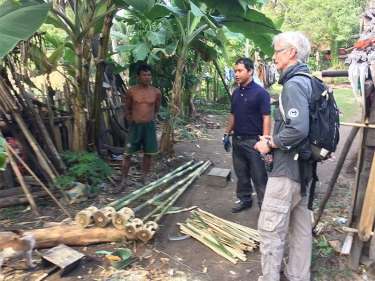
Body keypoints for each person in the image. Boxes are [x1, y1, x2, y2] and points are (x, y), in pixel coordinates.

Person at [254, 31, 313, 281]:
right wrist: (275, 139)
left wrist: (271, 144)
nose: (273, 57)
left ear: (291, 52)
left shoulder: (293, 84)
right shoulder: (310, 81)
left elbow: (298, 128)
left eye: (277, 51)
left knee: (270, 229)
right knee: (300, 230)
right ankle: (298, 276)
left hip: (287, 170)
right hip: (305, 169)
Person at [223, 57, 271, 213]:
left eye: (240, 71)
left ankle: (265, 207)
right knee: (241, 174)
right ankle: (245, 200)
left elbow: (266, 118)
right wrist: (226, 134)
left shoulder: (260, 93)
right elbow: (233, 115)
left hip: (253, 142)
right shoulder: (236, 92)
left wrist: (265, 143)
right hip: (238, 140)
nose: (236, 74)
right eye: (235, 71)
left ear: (250, 71)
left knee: (259, 176)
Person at [113, 64, 162, 193]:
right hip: (135, 127)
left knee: (148, 154)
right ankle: (123, 181)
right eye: (144, 75)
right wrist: (133, 118)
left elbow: (156, 108)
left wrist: (147, 117)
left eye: (149, 75)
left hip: (149, 127)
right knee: (127, 154)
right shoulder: (131, 92)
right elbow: (127, 108)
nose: (147, 77)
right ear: (138, 76)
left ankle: (144, 177)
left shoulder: (156, 92)